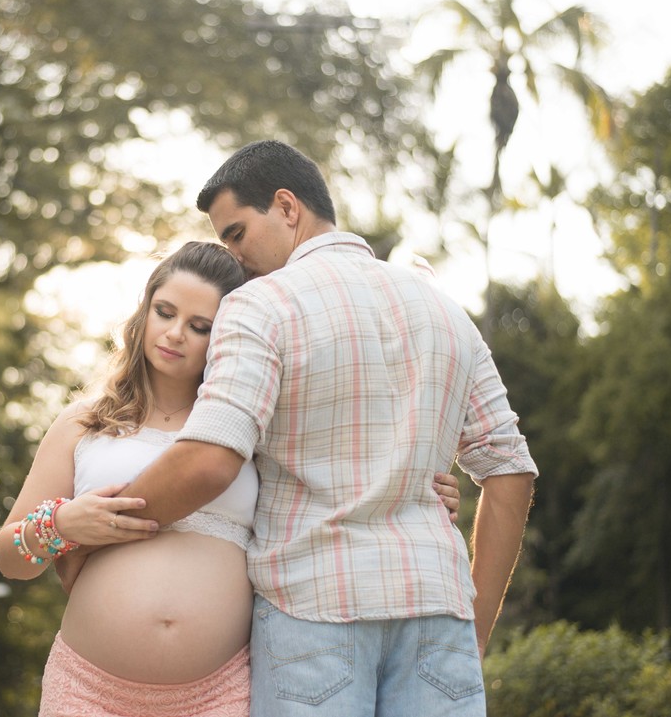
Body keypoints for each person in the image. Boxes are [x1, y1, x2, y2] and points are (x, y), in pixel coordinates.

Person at [112, 140, 539, 717]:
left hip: (313, 610)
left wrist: (92, 526)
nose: (233, 257)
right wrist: (475, 622)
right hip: (439, 611)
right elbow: (509, 469)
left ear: (287, 207)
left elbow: (210, 460)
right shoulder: (444, 310)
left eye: (236, 233)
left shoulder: (263, 304)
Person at [0, 241, 463, 717]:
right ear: (143, 312)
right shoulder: (85, 422)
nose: (175, 334)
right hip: (88, 689)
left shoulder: (260, 432)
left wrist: (421, 491)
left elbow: (351, 480)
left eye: (201, 327)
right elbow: (10, 557)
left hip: (220, 694)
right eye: (164, 312)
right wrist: (63, 525)